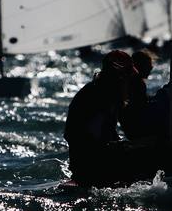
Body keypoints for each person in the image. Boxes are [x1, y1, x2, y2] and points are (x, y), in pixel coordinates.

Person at [64, 50, 154, 187]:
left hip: (89, 158)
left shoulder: (103, 93)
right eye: (127, 77)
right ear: (118, 77)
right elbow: (94, 139)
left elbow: (107, 134)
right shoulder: (99, 98)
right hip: (88, 163)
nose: (128, 83)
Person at [121, 50, 154, 137]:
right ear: (140, 66)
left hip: (127, 123)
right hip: (135, 125)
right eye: (149, 65)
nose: (151, 67)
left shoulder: (129, 80)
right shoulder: (137, 83)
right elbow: (140, 105)